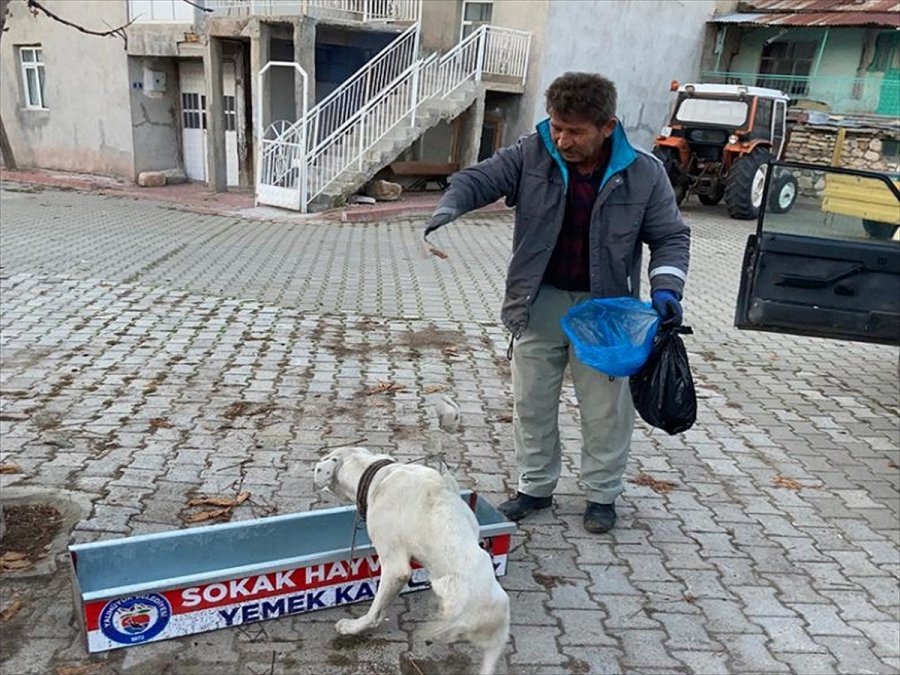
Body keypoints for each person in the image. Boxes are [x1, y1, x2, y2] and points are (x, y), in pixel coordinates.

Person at [424, 72, 690, 534]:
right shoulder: (532, 154)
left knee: (606, 408)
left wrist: (667, 289)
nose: (562, 139)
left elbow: (670, 237)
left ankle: (602, 494)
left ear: (607, 127)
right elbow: (480, 178)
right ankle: (535, 487)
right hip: (539, 302)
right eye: (557, 126)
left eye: (575, 131)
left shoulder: (644, 173)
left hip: (606, 311)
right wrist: (450, 206)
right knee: (532, 402)